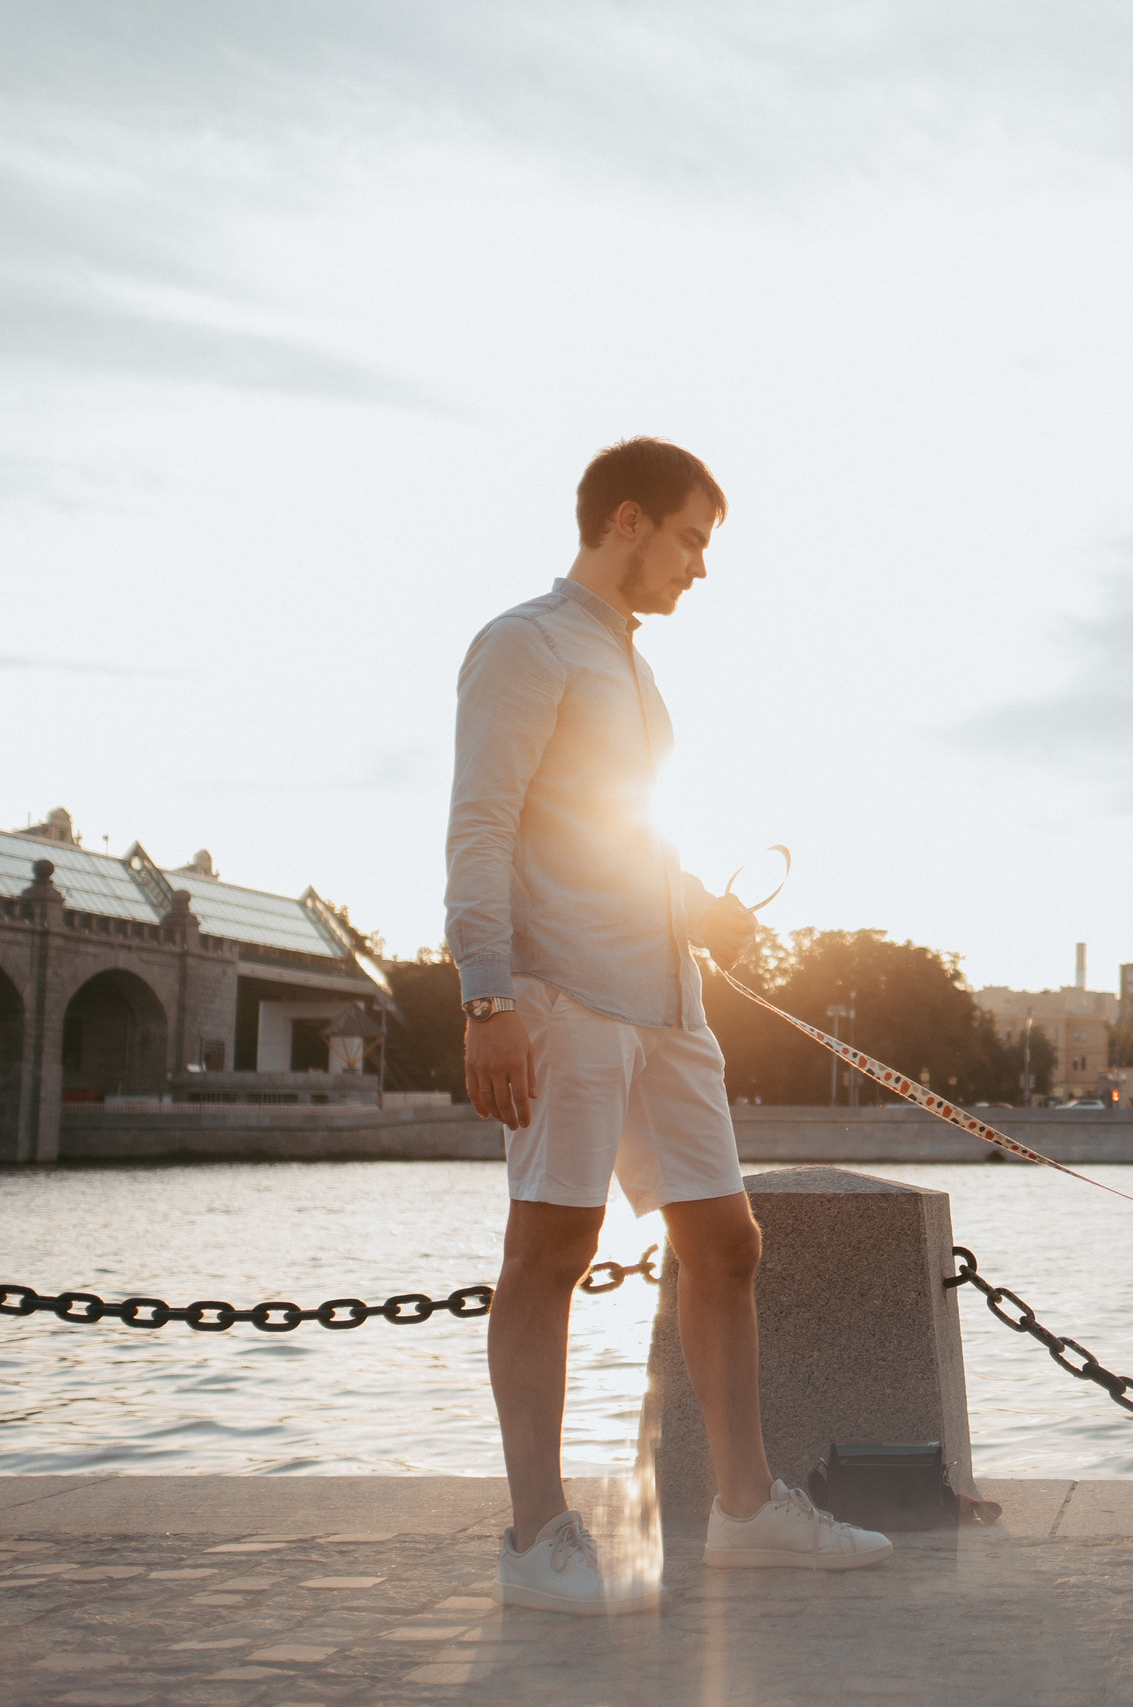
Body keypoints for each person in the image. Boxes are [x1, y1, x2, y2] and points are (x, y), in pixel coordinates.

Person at [446, 437, 892, 1615]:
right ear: (629, 521)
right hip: (559, 998)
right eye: (694, 538)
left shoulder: (633, 670)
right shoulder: (523, 644)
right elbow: (482, 824)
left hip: (670, 1007)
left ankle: (745, 1512)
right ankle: (536, 1535)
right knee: (548, 1251)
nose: (701, 566)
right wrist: (486, 997)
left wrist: (694, 907)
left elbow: (624, 828)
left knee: (729, 1245)